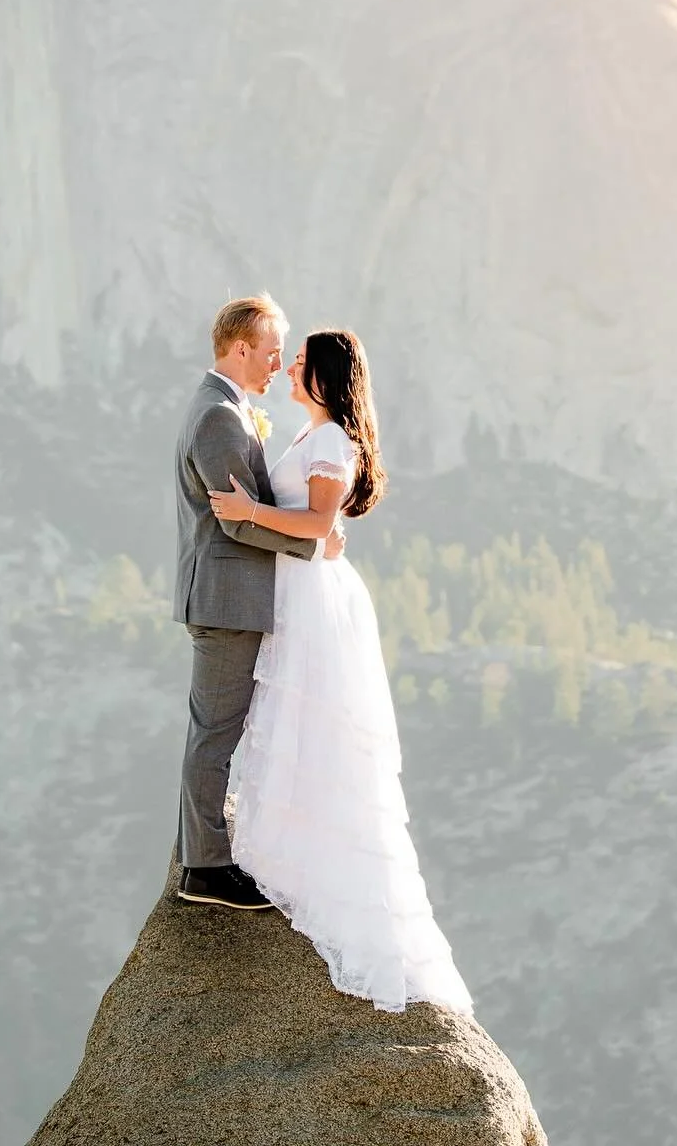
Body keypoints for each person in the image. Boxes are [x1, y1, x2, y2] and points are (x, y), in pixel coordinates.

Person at [207, 326, 473, 1015]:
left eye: (300, 363)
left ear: (325, 375)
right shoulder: (312, 435)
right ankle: (285, 853)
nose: (289, 369)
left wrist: (246, 511)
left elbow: (321, 525)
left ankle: (306, 865)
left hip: (315, 599)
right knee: (289, 723)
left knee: (310, 724)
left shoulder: (328, 442)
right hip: (299, 589)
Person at [172, 294, 345, 912]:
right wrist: (314, 545)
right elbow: (237, 523)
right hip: (224, 599)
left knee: (221, 729)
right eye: (272, 353)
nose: (278, 365)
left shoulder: (228, 408)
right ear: (240, 348)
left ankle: (206, 852)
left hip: (233, 597)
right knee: (215, 733)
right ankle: (205, 868)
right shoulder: (218, 416)